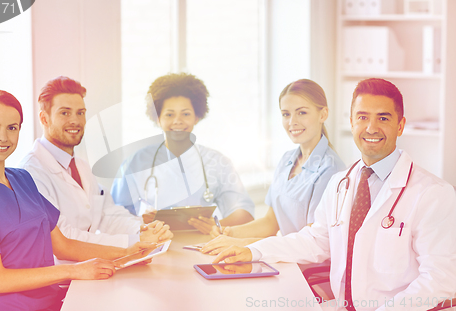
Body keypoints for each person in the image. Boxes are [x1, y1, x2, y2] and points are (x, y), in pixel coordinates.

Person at [213, 78, 456, 311]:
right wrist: (254, 251)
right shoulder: (341, 183)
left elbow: (440, 279)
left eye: (383, 118)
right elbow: (315, 240)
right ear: (351, 122)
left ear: (400, 125)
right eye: (362, 117)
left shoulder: (433, 194)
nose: (371, 127)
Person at [0, 90, 156, 311]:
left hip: (52, 300)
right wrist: (74, 270)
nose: (3, 137)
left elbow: (63, 246)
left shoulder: (22, 179)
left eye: (12, 128)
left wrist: (129, 253)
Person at [18, 76, 172, 249]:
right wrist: (134, 241)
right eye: (64, 113)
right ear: (44, 119)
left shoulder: (81, 167)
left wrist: (142, 230)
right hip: (61, 270)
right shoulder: (31, 173)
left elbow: (108, 216)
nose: (75, 121)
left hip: (93, 265)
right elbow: (64, 237)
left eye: (80, 113)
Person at [201, 79, 345, 255]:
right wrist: (229, 232)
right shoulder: (287, 160)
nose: (292, 122)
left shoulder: (331, 171)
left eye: (302, 113)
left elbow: (311, 242)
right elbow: (271, 221)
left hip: (302, 266)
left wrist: (246, 244)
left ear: (323, 114)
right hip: (278, 256)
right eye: (286, 114)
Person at [111, 73, 255, 234]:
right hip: (152, 246)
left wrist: (217, 226)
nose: (177, 121)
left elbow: (244, 212)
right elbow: (114, 214)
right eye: (169, 114)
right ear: (158, 118)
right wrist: (140, 222)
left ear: (197, 117)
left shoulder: (217, 161)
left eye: (185, 114)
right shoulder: (136, 162)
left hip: (203, 245)